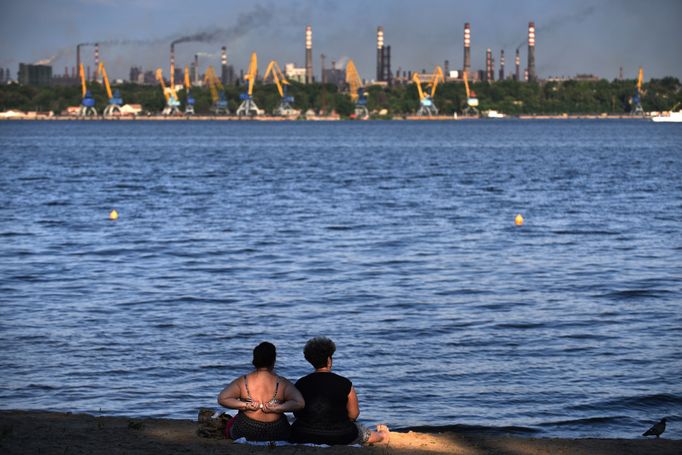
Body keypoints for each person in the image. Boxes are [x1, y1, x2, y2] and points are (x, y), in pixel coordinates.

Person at [290, 337, 390, 445]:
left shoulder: (300, 383)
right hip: (341, 435)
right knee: (361, 431)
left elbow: (297, 412)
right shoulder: (345, 383)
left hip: (304, 435)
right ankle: (382, 435)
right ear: (329, 360)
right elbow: (354, 415)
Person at [218, 341, 305, 441]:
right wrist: (278, 408)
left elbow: (222, 399)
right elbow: (299, 403)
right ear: (273, 361)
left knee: (231, 423)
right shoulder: (282, 383)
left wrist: (245, 405)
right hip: (276, 431)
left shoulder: (243, 381)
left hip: (247, 430)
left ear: (254, 360)